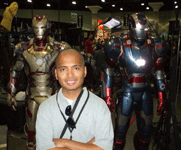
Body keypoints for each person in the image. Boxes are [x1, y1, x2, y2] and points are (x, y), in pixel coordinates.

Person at [103, 13, 168, 150]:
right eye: (140, 29)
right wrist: (107, 96)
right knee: (119, 136)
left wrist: (161, 96)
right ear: (132, 27)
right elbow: (108, 70)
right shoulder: (118, 43)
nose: (142, 33)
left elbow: (159, 72)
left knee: (145, 136)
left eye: (145, 30)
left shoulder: (156, 44)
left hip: (145, 91)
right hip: (126, 91)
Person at [7, 15, 71, 150]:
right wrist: (10, 93)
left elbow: (70, 74)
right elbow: (15, 71)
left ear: (48, 28)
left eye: (41, 27)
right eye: (36, 28)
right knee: (31, 132)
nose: (39, 31)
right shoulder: (22, 48)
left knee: (55, 132)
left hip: (53, 96)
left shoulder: (60, 48)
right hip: (31, 96)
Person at [36, 49, 114, 150]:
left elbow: (105, 147)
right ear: (56, 74)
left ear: (85, 71)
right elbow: (43, 147)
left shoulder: (100, 106)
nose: (70, 75)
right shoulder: (46, 108)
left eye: (76, 68)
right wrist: (89, 146)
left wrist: (64, 142)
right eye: (63, 69)